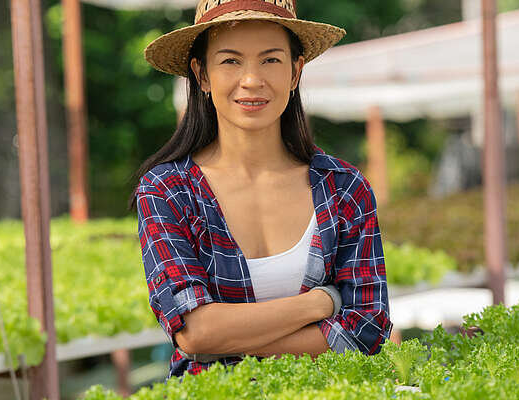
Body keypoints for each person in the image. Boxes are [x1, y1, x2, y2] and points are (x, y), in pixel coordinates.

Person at [130, 0, 392, 378]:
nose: (252, 80)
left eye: (270, 60)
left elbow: (367, 330)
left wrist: (225, 340)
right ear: (201, 74)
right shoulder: (167, 191)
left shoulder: (345, 188)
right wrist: (320, 303)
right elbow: (195, 333)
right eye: (230, 61)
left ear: (295, 72)